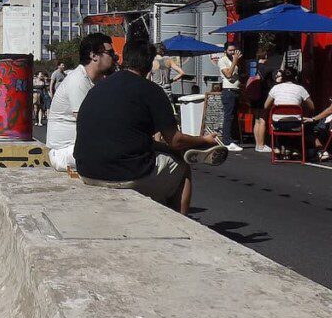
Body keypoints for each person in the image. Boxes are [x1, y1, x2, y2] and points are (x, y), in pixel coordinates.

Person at [74, 39, 226, 215]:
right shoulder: (151, 90)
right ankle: (183, 225)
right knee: (182, 167)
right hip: (123, 174)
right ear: (149, 65)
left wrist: (168, 148)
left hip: (85, 170)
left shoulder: (98, 88)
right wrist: (203, 140)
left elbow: (130, 136)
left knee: (164, 152)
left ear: (124, 58)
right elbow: (175, 140)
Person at [45, 33, 116, 172]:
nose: (114, 57)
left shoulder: (97, 80)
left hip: (80, 147)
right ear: (94, 55)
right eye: (110, 53)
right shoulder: (78, 80)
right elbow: (88, 123)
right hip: (64, 151)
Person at [263, 67, 315, 158]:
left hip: (278, 123)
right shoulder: (300, 89)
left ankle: (279, 146)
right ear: (295, 78)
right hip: (295, 123)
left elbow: (266, 106)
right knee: (307, 123)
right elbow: (312, 107)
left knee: (279, 121)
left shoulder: (275, 88)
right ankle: (296, 148)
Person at [248, 46, 277, 153]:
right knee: (263, 120)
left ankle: (257, 144)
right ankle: (261, 145)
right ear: (266, 55)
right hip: (263, 95)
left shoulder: (252, 65)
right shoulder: (267, 67)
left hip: (253, 96)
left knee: (256, 120)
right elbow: (273, 80)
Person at [217, 42, 244, 152]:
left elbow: (240, 74)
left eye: (234, 50)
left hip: (236, 90)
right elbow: (228, 74)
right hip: (228, 91)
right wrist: (235, 61)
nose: (232, 52)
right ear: (225, 51)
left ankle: (233, 139)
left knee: (234, 117)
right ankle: (226, 141)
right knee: (228, 116)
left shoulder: (236, 60)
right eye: (230, 50)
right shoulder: (222, 60)